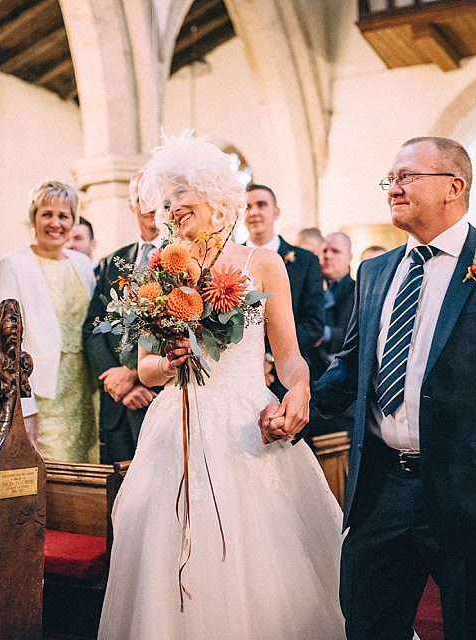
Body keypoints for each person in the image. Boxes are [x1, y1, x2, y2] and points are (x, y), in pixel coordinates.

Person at [286, 137, 476, 640]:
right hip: (381, 488)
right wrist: (293, 409)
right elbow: (352, 370)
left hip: (471, 494)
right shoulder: (377, 270)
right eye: (391, 179)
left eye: (407, 177)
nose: (394, 188)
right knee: (367, 626)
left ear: (454, 187)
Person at [99, 133, 345, 639]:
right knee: (167, 547)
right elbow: (144, 367)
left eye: (180, 199)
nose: (171, 210)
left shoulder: (262, 264)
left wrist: (297, 392)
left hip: (246, 424)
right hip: (176, 423)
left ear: (214, 199)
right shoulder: (156, 269)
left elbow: (291, 357)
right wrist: (167, 363)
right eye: (164, 202)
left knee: (259, 553)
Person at [0, 181, 99, 462]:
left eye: (63, 216)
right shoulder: (13, 265)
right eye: (47, 214)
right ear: (33, 218)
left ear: (73, 220)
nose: (55, 223)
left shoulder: (82, 265)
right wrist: (24, 408)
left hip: (85, 392)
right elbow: (7, 344)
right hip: (41, 395)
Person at [84, 173, 163, 463]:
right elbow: (93, 326)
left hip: (160, 398)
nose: (150, 204)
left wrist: (133, 375)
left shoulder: (185, 258)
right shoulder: (113, 262)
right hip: (117, 404)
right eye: (142, 197)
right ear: (131, 204)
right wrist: (115, 380)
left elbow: (184, 328)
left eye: (156, 195)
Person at [244, 184, 324, 398]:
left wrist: (269, 357)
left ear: (275, 211)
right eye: (247, 206)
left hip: (287, 379)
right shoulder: (232, 261)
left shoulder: (305, 261)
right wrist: (250, 361)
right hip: (241, 377)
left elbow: (313, 323)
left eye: (261, 205)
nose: (253, 212)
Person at [308, 232, 356, 434]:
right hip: (310, 383)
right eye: (324, 250)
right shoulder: (312, 288)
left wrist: (320, 333)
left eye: (335, 251)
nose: (327, 256)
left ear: (349, 257)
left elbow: (353, 337)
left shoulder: (358, 290)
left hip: (342, 395)